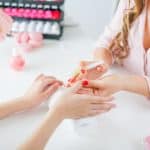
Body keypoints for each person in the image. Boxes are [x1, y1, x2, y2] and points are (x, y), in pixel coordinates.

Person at [73, 0, 150, 98]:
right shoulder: (132, 2)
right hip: (130, 103)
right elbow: (108, 40)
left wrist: (122, 82)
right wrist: (100, 63)